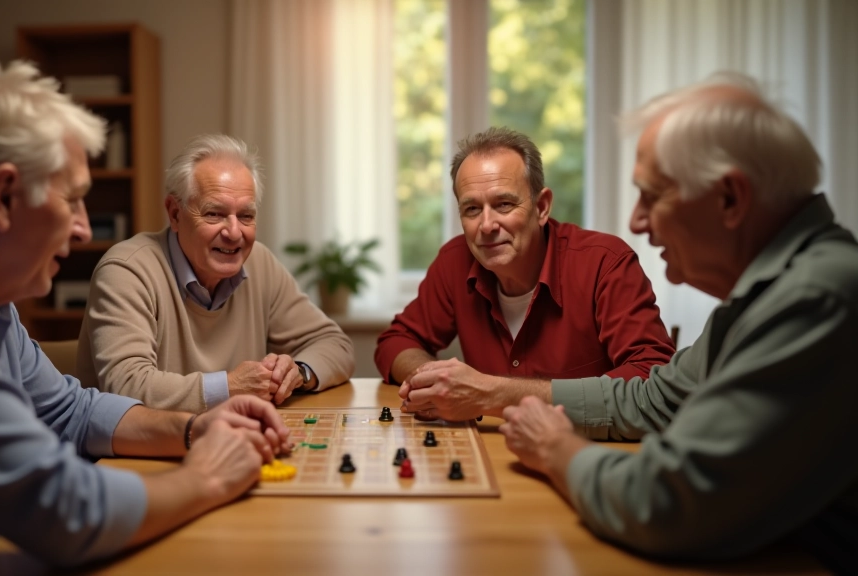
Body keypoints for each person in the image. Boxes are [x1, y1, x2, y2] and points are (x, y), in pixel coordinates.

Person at [0, 60, 291, 575]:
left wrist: (193, 430)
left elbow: (70, 411)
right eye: (72, 199)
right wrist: (206, 477)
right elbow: (61, 509)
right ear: (4, 197)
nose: (81, 229)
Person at [499, 72, 858, 573]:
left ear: (730, 199)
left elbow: (667, 503)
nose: (636, 222)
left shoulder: (815, 297)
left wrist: (555, 448)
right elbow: (657, 398)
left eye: (653, 195)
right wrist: (501, 395)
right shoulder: (769, 291)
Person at [377, 127, 675, 421]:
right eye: (471, 209)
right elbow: (397, 341)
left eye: (504, 204)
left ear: (542, 207)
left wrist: (494, 393)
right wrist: (431, 379)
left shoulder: (604, 263)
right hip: (492, 452)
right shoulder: (455, 261)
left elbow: (651, 379)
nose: (487, 225)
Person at [75, 134, 355, 413]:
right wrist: (229, 387)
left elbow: (336, 345)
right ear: (174, 213)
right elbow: (126, 385)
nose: (234, 233)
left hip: (231, 442)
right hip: (138, 452)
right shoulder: (127, 270)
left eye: (245, 216)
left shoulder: (260, 262)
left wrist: (298, 373)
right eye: (214, 214)